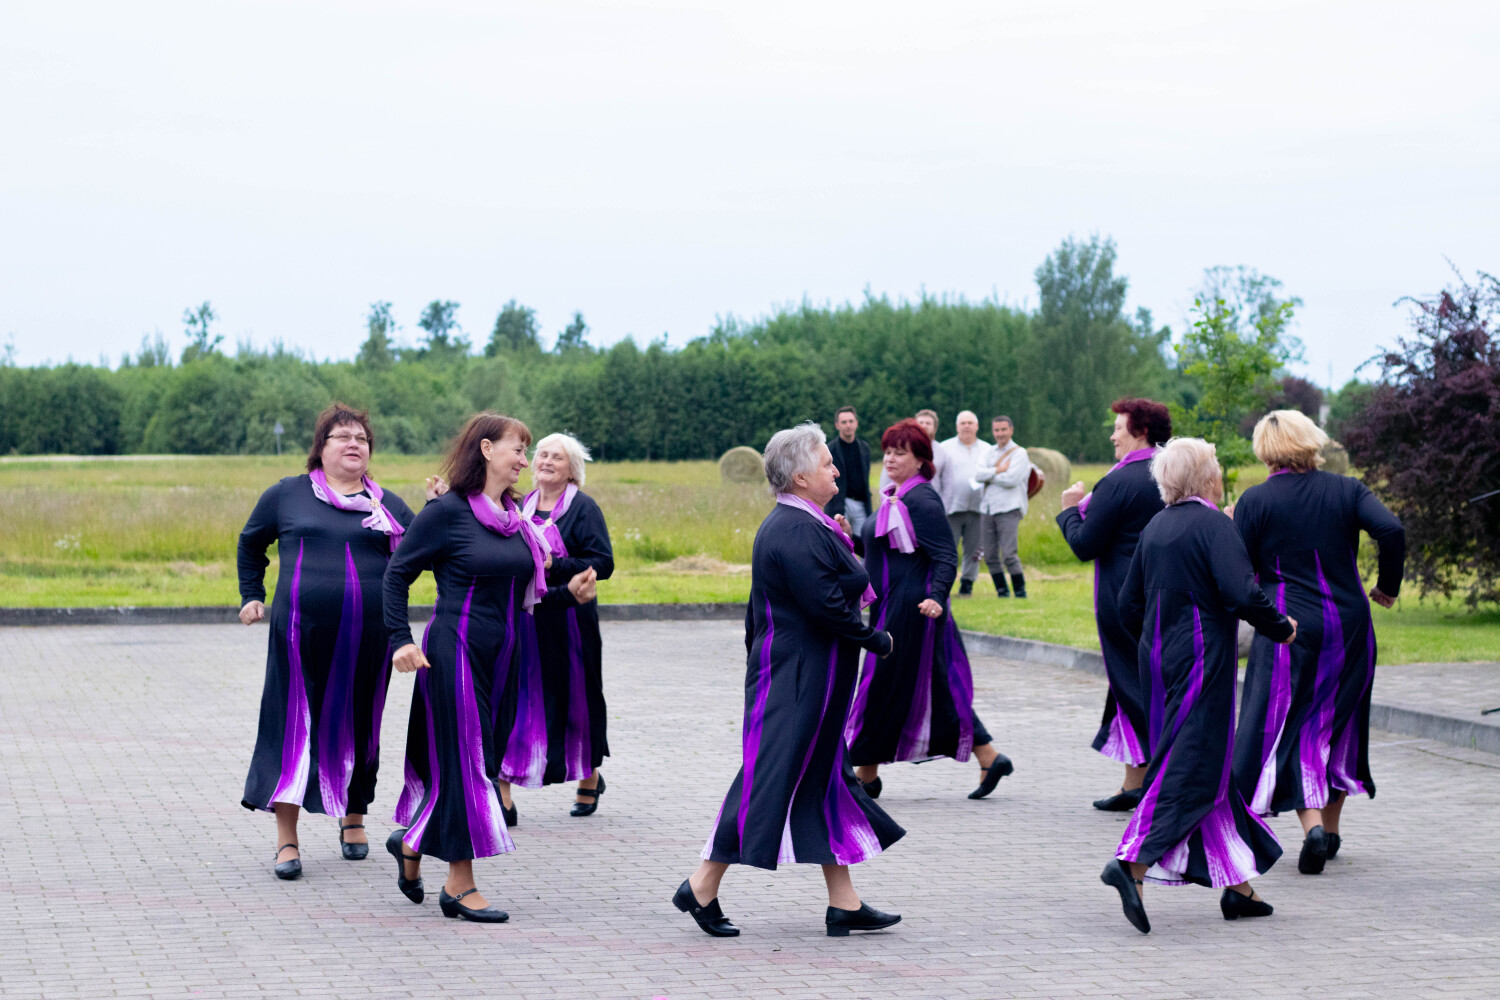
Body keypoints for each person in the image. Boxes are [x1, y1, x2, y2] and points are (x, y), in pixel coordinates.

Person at [676, 423, 903, 939]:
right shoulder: (795, 528)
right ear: (800, 477)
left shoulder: (807, 523)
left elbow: (794, 597)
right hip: (799, 677)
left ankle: (844, 902)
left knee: (825, 779)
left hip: (808, 674)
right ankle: (701, 884)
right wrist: (877, 640)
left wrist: (840, 541)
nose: (837, 469)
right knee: (771, 775)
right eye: (826, 463)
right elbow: (826, 605)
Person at [1102, 438, 1297, 935]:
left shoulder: (1157, 525)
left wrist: (1157, 635)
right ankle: (1132, 861)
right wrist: (1280, 627)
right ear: (1205, 477)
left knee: (1203, 761)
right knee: (1193, 764)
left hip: (1159, 658)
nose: (1221, 474)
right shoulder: (1213, 525)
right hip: (1201, 658)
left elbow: (1128, 604)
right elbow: (1242, 592)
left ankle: (1239, 889)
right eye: (1216, 467)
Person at [381, 412, 552, 924]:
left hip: (505, 654)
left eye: (526, 451)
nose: (524, 461)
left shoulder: (516, 517)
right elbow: (396, 575)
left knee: (483, 758)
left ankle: (411, 842)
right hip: (455, 649)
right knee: (469, 761)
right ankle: (459, 884)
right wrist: (399, 640)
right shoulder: (447, 512)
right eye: (517, 449)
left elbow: (534, 581)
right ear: (485, 449)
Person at [237, 402, 419, 880]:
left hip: (369, 640)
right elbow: (251, 543)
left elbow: (422, 552)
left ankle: (353, 818)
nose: (354, 443)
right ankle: (287, 839)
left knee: (361, 726)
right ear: (321, 447)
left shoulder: (387, 504)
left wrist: (441, 506)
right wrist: (252, 594)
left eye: (362, 438)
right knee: (292, 730)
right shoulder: (288, 495)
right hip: (298, 639)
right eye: (343, 436)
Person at [1230, 410, 1405, 874]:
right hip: (1349, 626)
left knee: (1292, 725)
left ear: (1265, 450)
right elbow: (1391, 529)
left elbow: (1242, 573)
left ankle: (1312, 829)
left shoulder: (1255, 500)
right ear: (1311, 441)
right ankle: (1330, 830)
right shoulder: (1347, 490)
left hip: (1287, 629)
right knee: (1340, 722)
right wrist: (1388, 586)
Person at [846, 419, 1014, 801]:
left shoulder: (921, 499)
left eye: (899, 452)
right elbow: (886, 549)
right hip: (894, 605)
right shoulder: (896, 496)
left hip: (914, 610)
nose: (890, 458)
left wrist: (938, 596)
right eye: (887, 451)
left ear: (921, 459)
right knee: (932, 685)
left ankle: (865, 774)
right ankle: (989, 757)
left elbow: (945, 556)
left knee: (881, 684)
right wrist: (849, 537)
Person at [1056, 398, 1170, 812]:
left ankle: (1161, 781)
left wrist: (1070, 510)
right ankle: (1132, 784)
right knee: (1130, 682)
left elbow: (1085, 545)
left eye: (1119, 428)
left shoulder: (1118, 482)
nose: (1112, 436)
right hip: (1164, 591)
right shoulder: (1171, 472)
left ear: (1140, 431)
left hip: (1123, 595)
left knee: (1136, 686)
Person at [522, 432, 614, 816]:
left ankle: (588, 775)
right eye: (541, 454)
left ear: (572, 469)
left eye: (556, 457)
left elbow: (603, 563)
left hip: (572, 619)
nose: (545, 461)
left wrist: (555, 564)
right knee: (526, 698)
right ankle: (509, 781)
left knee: (576, 698)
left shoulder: (584, 508)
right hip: (530, 617)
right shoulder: (520, 506)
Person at [973, 415, 1031, 598]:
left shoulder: (1019, 453)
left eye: (1003, 429)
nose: (1000, 433)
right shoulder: (988, 452)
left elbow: (1012, 479)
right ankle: (1002, 591)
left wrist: (989, 475)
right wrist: (998, 470)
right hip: (987, 508)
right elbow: (977, 475)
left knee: (1009, 554)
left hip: (1009, 508)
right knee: (990, 555)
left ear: (1011, 430)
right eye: (997, 430)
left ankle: (1020, 591)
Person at [938, 411, 986, 597]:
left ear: (977, 426)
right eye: (963, 423)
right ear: (957, 426)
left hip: (979, 507)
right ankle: (944, 584)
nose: (966, 426)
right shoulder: (945, 448)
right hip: (951, 507)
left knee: (974, 550)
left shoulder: (987, 449)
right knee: (948, 549)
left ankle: (967, 584)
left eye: (970, 423)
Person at [825, 406, 873, 535]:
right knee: (840, 540)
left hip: (861, 504)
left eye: (851, 421)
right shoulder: (830, 449)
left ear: (856, 423)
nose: (848, 425)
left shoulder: (865, 448)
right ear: (837, 425)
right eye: (844, 422)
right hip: (839, 503)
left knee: (864, 540)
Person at [880, 408, 948, 496]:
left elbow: (948, 484)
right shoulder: (898, 448)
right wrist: (887, 499)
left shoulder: (943, 452)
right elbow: (886, 479)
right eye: (921, 422)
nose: (924, 426)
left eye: (928, 423)